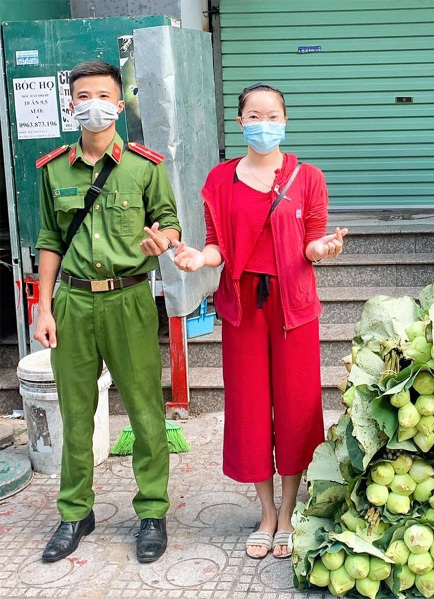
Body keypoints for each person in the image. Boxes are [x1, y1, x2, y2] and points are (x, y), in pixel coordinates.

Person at [172, 83, 346, 559]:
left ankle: (289, 512)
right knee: (250, 409)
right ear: (240, 121)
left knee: (295, 406)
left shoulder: (307, 177)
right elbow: (216, 246)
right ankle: (265, 513)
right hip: (243, 307)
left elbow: (311, 239)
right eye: (254, 115)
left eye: (272, 115)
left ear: (285, 120)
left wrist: (322, 249)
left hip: (293, 307)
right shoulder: (220, 180)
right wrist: (196, 260)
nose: (263, 123)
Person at [34, 61, 181, 563]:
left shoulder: (144, 166)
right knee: (76, 415)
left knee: (145, 411)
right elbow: (50, 239)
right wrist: (42, 307)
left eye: (102, 95)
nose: (91, 103)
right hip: (72, 303)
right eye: (81, 95)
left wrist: (165, 241)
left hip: (129, 299)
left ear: (119, 105)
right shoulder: (53, 169)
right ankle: (75, 512)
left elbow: (169, 221)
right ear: (70, 105)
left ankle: (152, 511)